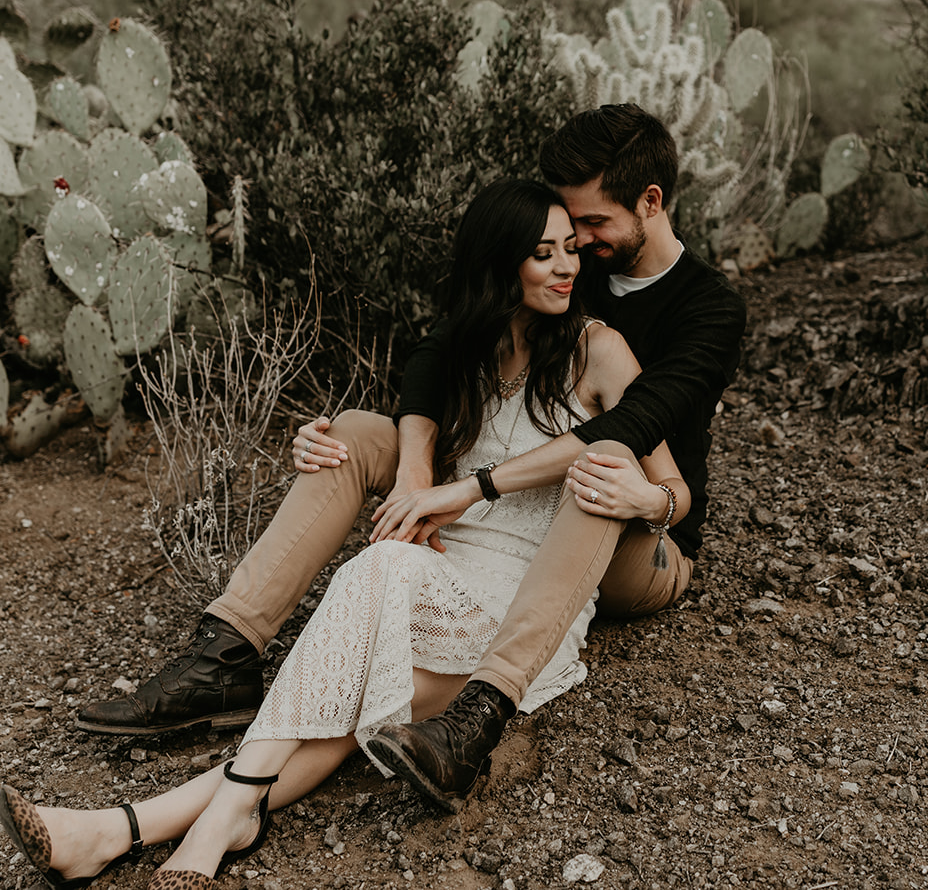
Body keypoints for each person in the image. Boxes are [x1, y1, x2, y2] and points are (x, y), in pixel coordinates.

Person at [0, 180, 689, 888]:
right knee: (345, 677)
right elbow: (396, 432)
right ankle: (137, 828)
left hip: (522, 614)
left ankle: (149, 826)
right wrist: (318, 442)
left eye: (571, 249)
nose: (567, 267)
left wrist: (648, 497)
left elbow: (675, 487)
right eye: (543, 254)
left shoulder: (599, 352)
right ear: (500, 265)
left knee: (356, 634)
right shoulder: (466, 352)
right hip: (441, 577)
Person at [76, 102, 746, 812]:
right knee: (361, 431)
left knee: (602, 469)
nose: (575, 242)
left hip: (642, 534)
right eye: (565, 229)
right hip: (523, 521)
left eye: (591, 225)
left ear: (651, 201)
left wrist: (476, 491)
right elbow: (444, 343)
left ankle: (478, 716)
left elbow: (637, 422)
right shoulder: (568, 267)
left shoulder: (708, 308)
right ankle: (226, 655)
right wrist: (416, 471)